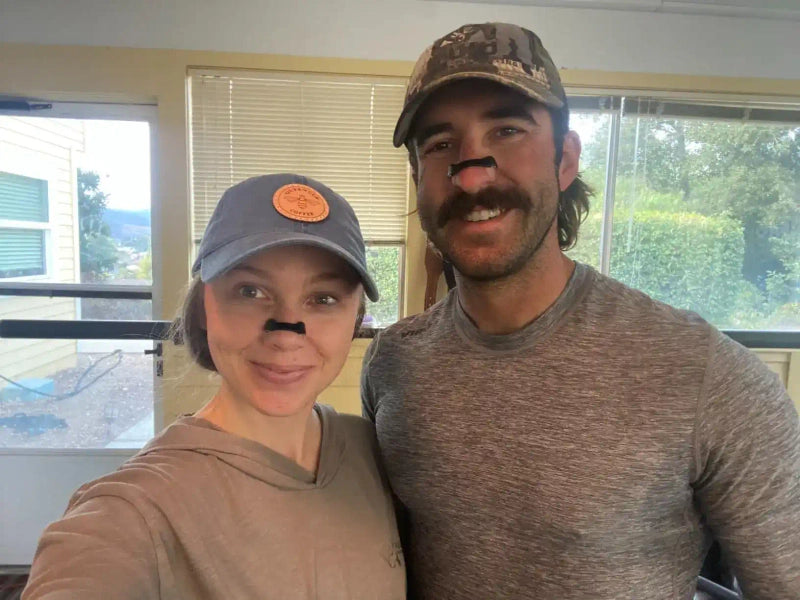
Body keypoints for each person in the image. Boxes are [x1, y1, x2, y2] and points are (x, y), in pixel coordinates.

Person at [361, 22, 800, 600]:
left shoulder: (706, 378)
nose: (473, 173)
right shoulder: (392, 364)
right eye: (440, 144)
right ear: (419, 177)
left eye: (507, 130)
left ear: (564, 160)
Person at [24, 174, 405, 599]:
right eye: (250, 291)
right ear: (205, 307)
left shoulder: (370, 451)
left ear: (355, 318)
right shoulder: (137, 512)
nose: (286, 334)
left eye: (324, 298)